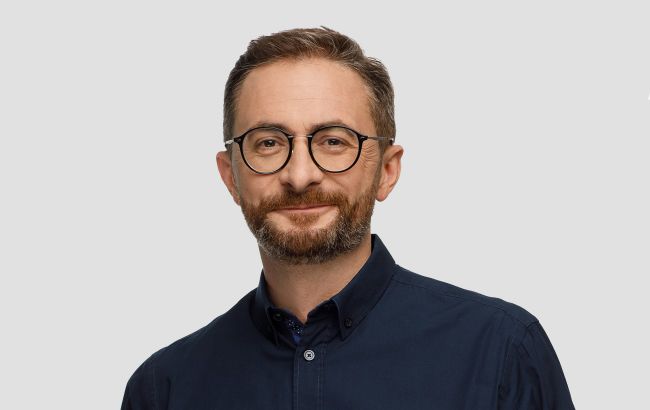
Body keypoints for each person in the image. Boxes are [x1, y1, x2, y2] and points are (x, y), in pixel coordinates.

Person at [121, 26, 575, 409]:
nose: (300, 175)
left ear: (387, 170)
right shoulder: (163, 389)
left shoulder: (501, 352)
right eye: (269, 143)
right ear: (230, 177)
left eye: (334, 141)